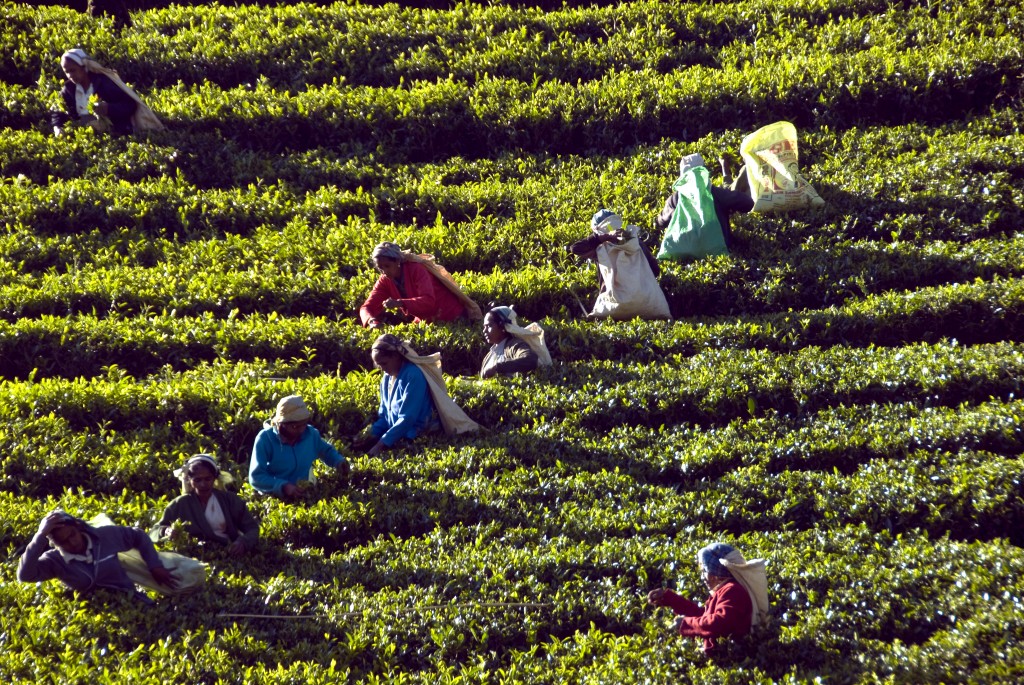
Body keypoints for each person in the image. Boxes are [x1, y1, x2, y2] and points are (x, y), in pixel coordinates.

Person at [354, 333, 479, 455]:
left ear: (396, 357)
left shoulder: (413, 375)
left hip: (418, 437)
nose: (382, 369)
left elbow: (408, 417)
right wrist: (367, 434)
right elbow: (385, 417)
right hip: (396, 436)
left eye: (384, 363)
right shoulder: (386, 378)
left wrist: (381, 444)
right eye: (379, 365)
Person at [18, 510, 178, 599]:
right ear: (55, 544)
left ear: (78, 528)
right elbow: (25, 575)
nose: (72, 542)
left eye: (73, 534)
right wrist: (39, 536)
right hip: (94, 610)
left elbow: (138, 535)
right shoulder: (55, 561)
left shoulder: (104, 537)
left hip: (130, 600)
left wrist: (154, 565)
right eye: (63, 541)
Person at [647, 542, 770, 654]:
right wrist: (670, 599)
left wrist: (686, 623)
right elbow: (704, 617)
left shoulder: (733, 590)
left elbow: (719, 622)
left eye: (704, 571)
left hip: (730, 656)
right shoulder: (724, 590)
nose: (702, 577)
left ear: (716, 574)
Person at [152, 454, 260, 556]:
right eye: (197, 480)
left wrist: (243, 542)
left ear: (214, 478)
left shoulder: (229, 500)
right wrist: (166, 531)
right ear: (189, 480)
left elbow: (252, 528)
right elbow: (154, 531)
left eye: (207, 479)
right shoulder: (180, 504)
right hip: (192, 556)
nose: (203, 484)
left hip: (228, 554)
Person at [249, 395, 349, 500]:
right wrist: (283, 486)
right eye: (295, 427)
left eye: (304, 424)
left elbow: (326, 451)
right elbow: (256, 477)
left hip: (304, 495)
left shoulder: (310, 434)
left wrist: (339, 461)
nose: (301, 430)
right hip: (275, 498)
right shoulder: (265, 439)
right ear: (281, 424)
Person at [359, 242, 481, 328]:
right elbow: (366, 307)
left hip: (450, 316)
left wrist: (400, 303)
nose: (384, 271)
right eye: (380, 268)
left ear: (397, 262)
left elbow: (428, 301)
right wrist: (371, 321)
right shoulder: (385, 280)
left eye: (387, 266)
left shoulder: (416, 269)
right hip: (426, 321)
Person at [50, 48, 164, 136]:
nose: (70, 75)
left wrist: (109, 109)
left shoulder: (104, 83)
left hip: (114, 132)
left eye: (73, 70)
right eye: (67, 72)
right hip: (85, 135)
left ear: (84, 67)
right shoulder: (69, 89)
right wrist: (57, 127)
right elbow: (58, 112)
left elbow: (130, 104)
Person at [654, 153, 753, 252]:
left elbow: (661, 221)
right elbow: (748, 203)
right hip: (716, 248)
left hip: (684, 249)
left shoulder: (676, 198)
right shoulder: (714, 193)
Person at [480, 306, 552, 379]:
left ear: (502, 327)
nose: (484, 331)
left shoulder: (515, 345)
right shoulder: (489, 355)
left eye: (489, 326)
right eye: (484, 327)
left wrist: (497, 368)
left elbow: (531, 359)